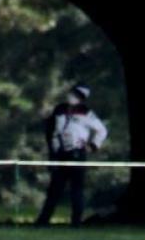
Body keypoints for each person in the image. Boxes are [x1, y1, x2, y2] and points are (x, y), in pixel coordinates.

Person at [35, 83, 107, 227]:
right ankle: (43, 221)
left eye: (76, 95)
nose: (72, 97)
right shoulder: (59, 109)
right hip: (60, 154)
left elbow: (102, 130)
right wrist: (52, 152)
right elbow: (51, 131)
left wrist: (92, 146)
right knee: (54, 189)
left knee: (77, 190)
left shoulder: (86, 112)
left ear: (82, 98)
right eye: (72, 93)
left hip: (77, 154)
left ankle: (76, 222)